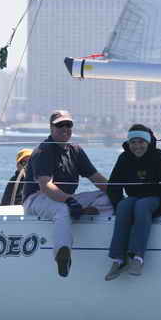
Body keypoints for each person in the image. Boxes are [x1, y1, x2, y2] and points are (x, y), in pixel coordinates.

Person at [22, 110, 112, 277]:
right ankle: (62, 255)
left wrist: (119, 194)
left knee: (108, 197)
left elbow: (96, 178)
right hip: (37, 199)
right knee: (62, 210)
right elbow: (45, 186)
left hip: (65, 198)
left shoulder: (75, 150)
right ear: (51, 128)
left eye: (68, 125)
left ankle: (84, 212)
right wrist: (69, 201)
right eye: (60, 125)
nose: (65, 128)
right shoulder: (43, 151)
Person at [104, 124, 161, 280]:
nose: (137, 146)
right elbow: (113, 186)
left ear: (148, 142)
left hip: (156, 198)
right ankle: (119, 259)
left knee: (142, 206)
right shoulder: (124, 158)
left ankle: (137, 257)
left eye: (141, 142)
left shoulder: (158, 156)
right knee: (124, 206)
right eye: (133, 142)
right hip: (135, 197)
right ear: (128, 143)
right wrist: (117, 204)